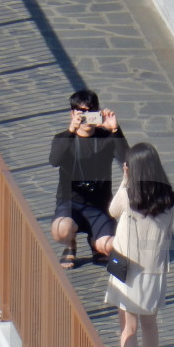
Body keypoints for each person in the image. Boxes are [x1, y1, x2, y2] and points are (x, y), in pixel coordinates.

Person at [104, 142, 174, 347]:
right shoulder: (168, 199)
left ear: (131, 169)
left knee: (128, 327)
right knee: (149, 324)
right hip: (154, 271)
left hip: (126, 269)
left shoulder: (128, 194)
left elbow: (112, 211)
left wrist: (124, 182)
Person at [49, 89, 129, 268]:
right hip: (71, 204)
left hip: (100, 207)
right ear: (73, 113)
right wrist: (71, 130)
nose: (86, 117)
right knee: (60, 230)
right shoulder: (64, 138)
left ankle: (96, 243)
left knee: (111, 246)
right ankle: (70, 243)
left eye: (90, 111)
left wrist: (115, 130)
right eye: (81, 112)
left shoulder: (106, 137)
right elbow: (54, 160)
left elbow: (128, 160)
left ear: (98, 112)